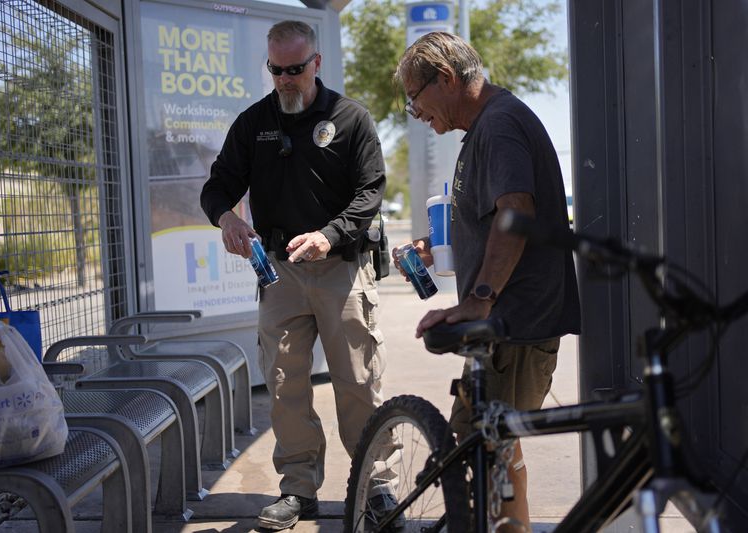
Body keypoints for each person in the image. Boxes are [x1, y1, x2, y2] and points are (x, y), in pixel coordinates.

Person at [200, 20, 391, 531]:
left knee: (357, 381)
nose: (285, 79)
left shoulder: (351, 119)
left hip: (341, 269)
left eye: (295, 70)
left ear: (317, 64)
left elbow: (370, 193)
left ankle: (376, 485)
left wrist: (329, 235)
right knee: (284, 382)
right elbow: (217, 187)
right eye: (276, 70)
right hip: (281, 274)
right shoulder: (253, 122)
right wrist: (229, 219)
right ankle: (298, 489)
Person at [394, 32, 581, 531]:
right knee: (493, 450)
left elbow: (516, 210)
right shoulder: (485, 128)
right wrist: (437, 247)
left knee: (481, 454)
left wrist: (479, 299)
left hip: (514, 326)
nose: (416, 113)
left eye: (416, 98)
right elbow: (490, 213)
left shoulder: (498, 125)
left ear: (448, 79)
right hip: (506, 326)